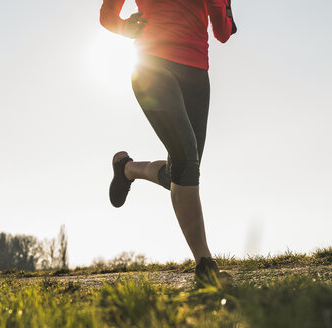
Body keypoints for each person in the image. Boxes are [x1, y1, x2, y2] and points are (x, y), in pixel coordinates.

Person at [100, 0, 237, 287]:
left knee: (184, 170)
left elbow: (223, 32)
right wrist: (125, 26)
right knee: (187, 162)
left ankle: (127, 169)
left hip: (197, 75)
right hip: (151, 66)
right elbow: (107, 14)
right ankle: (205, 266)